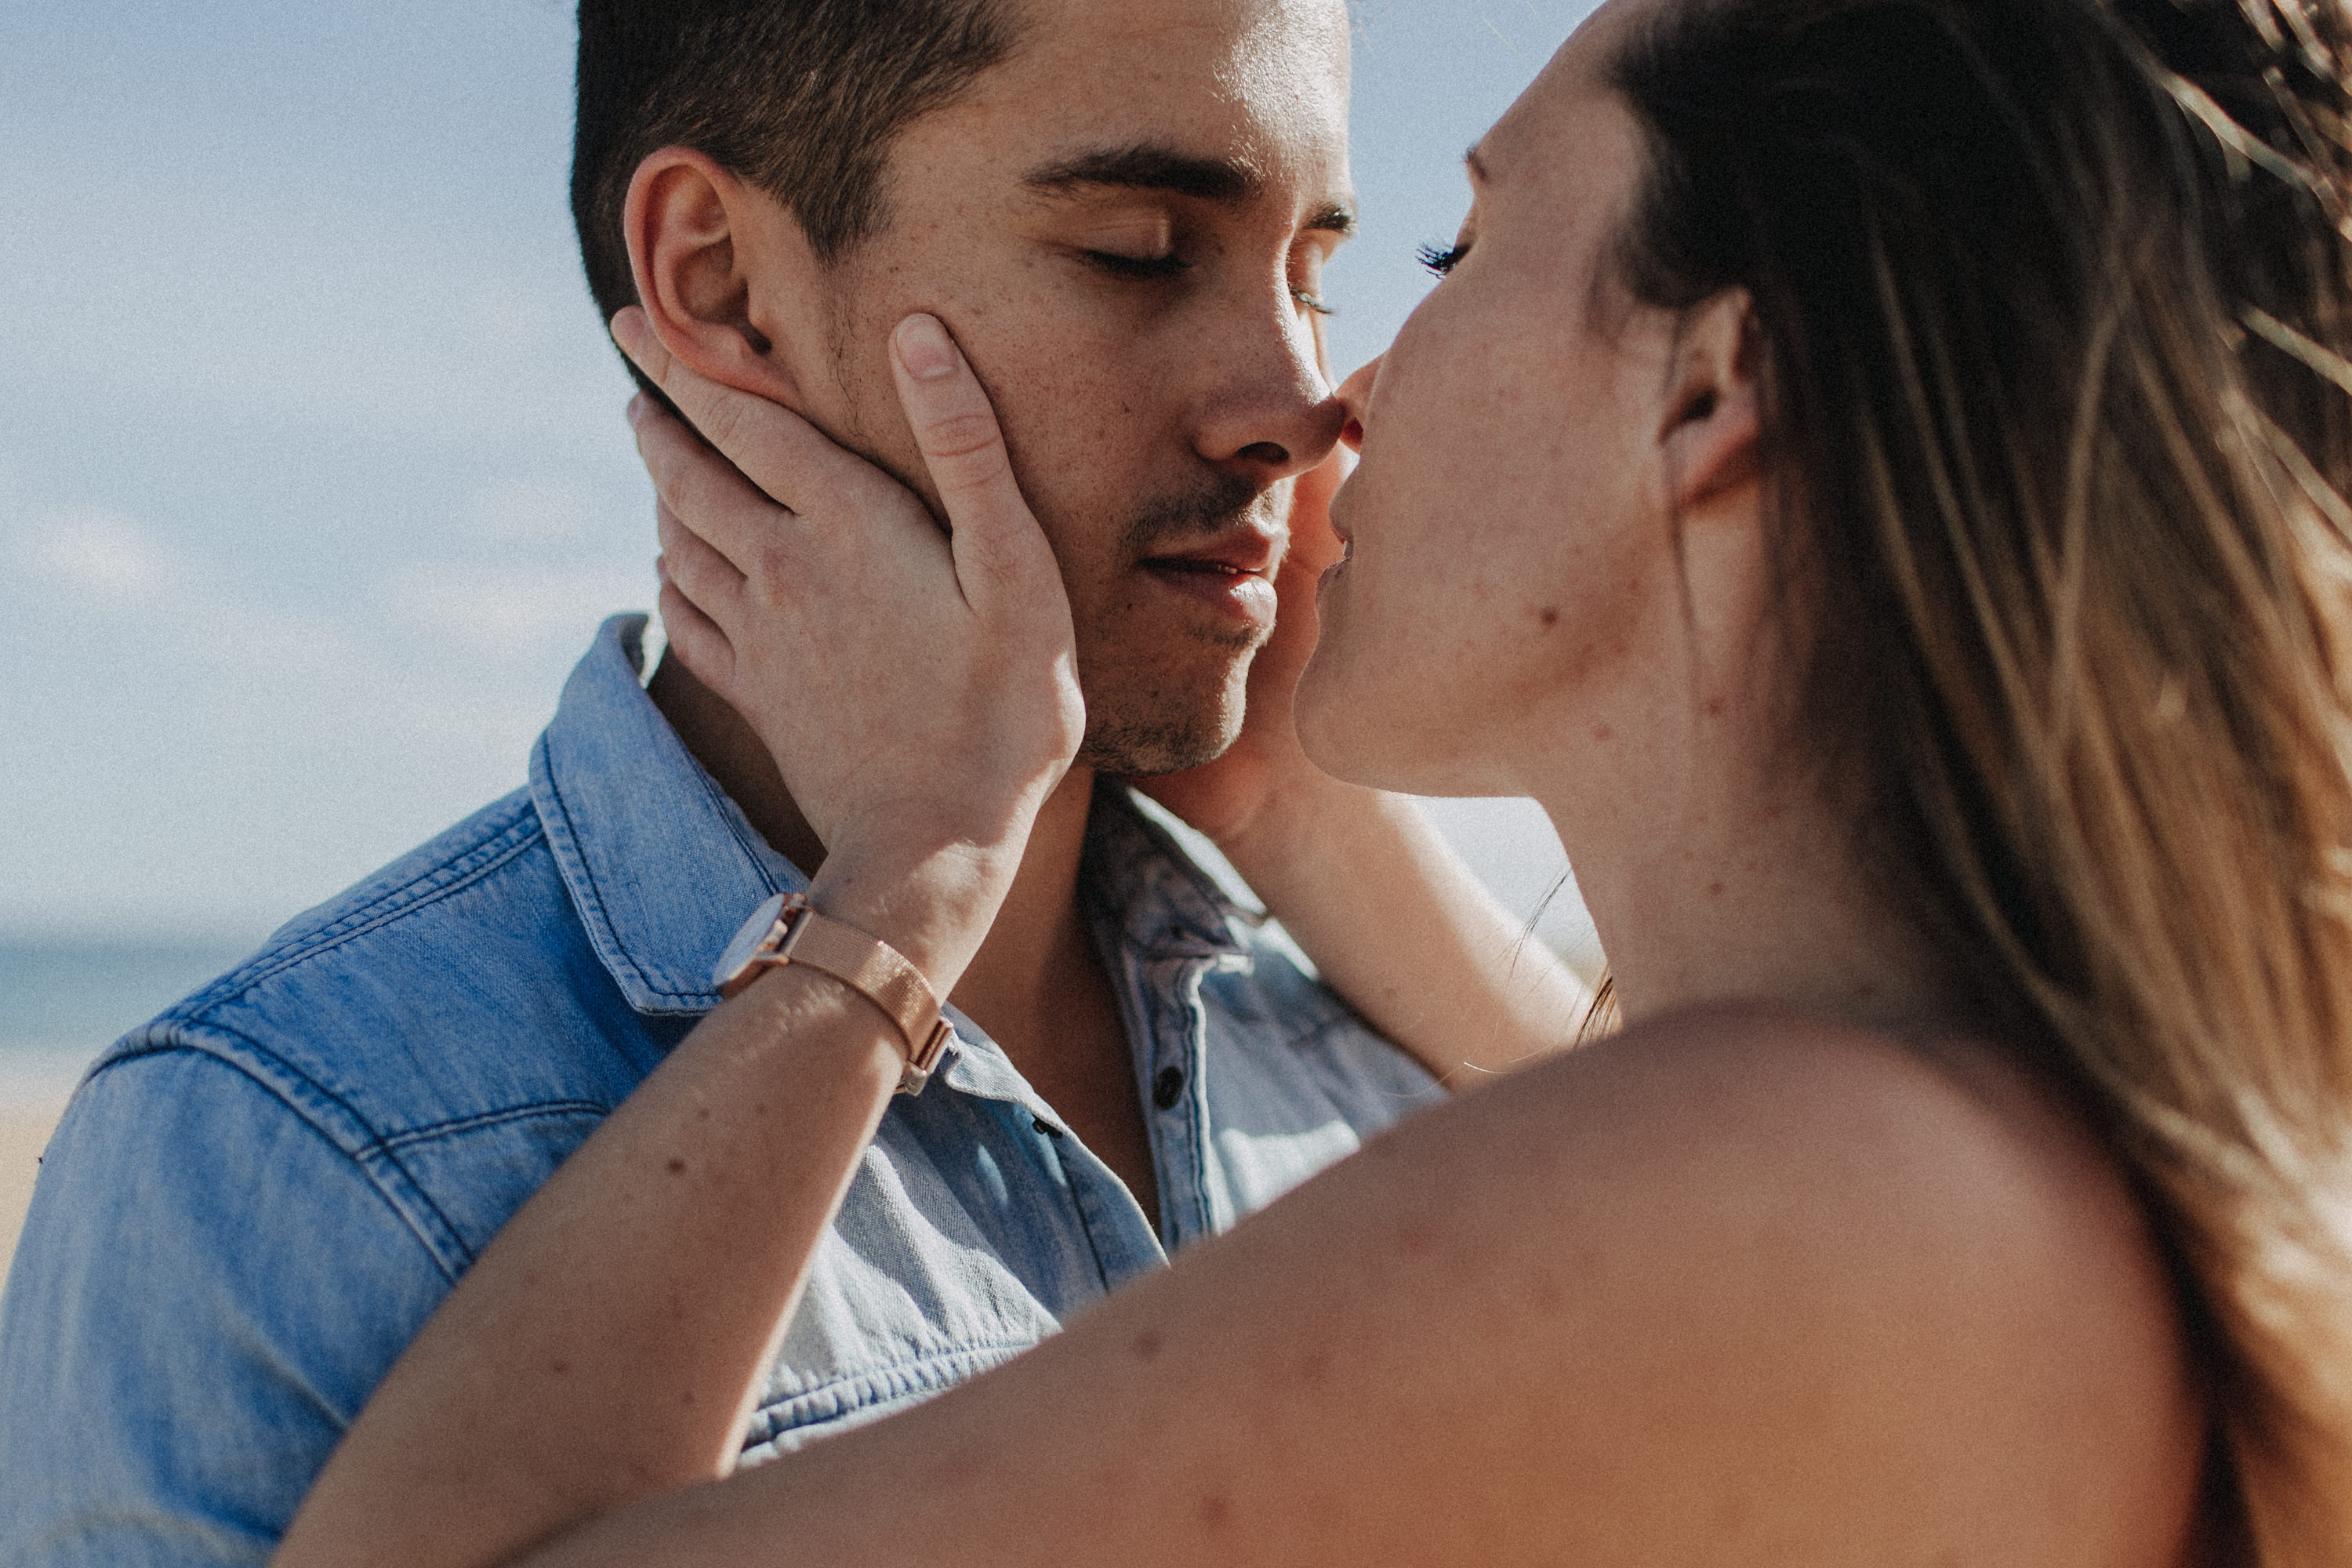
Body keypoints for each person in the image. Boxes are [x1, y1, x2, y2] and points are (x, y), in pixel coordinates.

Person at [271, 0, 2352, 1561]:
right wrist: (1287, 807)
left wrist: (904, 888)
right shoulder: (1984, 1148)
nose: (1313, 400)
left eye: (1439, 255)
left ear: (1715, 389)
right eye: (1142, 252)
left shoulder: (1813, 1189)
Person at [0, 1, 1584, 1559]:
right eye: (1140, 253)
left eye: (1315, 264)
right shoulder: (285, 1153)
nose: (1297, 404)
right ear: (721, 282)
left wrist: (1291, 799)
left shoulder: (1371, 1051)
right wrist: (908, 887)